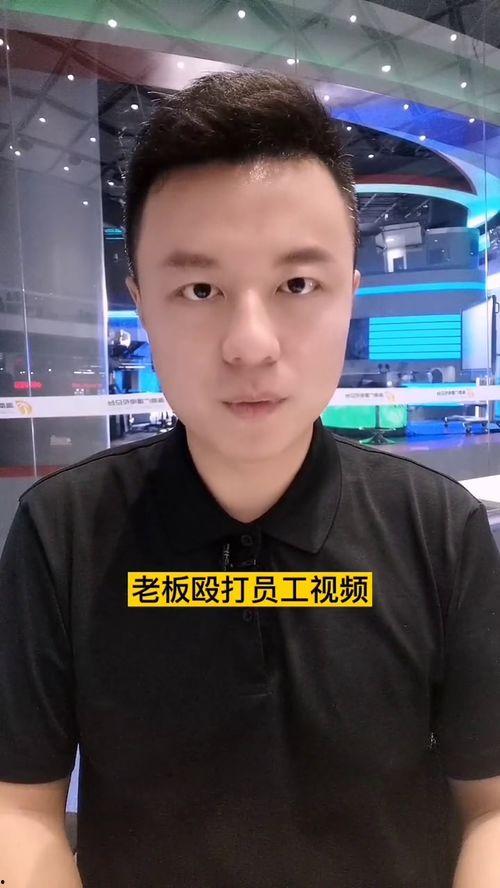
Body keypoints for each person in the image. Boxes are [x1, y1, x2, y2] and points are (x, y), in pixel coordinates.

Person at [0, 70, 500, 888]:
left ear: (349, 295)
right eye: (200, 289)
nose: (250, 344)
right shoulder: (63, 533)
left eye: (297, 284)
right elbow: (22, 810)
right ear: (142, 304)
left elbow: (490, 808)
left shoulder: (439, 531)